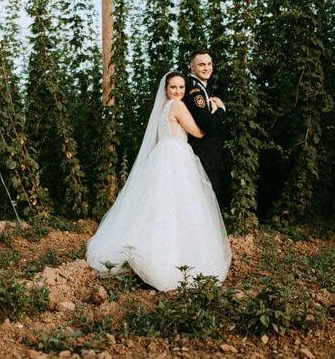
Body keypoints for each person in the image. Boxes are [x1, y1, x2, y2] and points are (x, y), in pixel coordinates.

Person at [86, 71, 231, 291]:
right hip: (176, 156)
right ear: (166, 89)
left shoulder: (163, 108)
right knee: (178, 207)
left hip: (163, 155)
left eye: (182, 88)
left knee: (158, 207)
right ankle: (170, 257)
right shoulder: (177, 106)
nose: (178, 91)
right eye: (174, 87)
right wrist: (217, 110)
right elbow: (198, 132)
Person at [184, 50, 230, 211]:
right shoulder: (194, 89)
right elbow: (207, 124)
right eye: (202, 64)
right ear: (192, 67)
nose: (207, 68)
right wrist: (222, 110)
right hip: (205, 156)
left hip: (209, 155)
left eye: (209, 64)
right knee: (208, 206)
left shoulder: (201, 87)